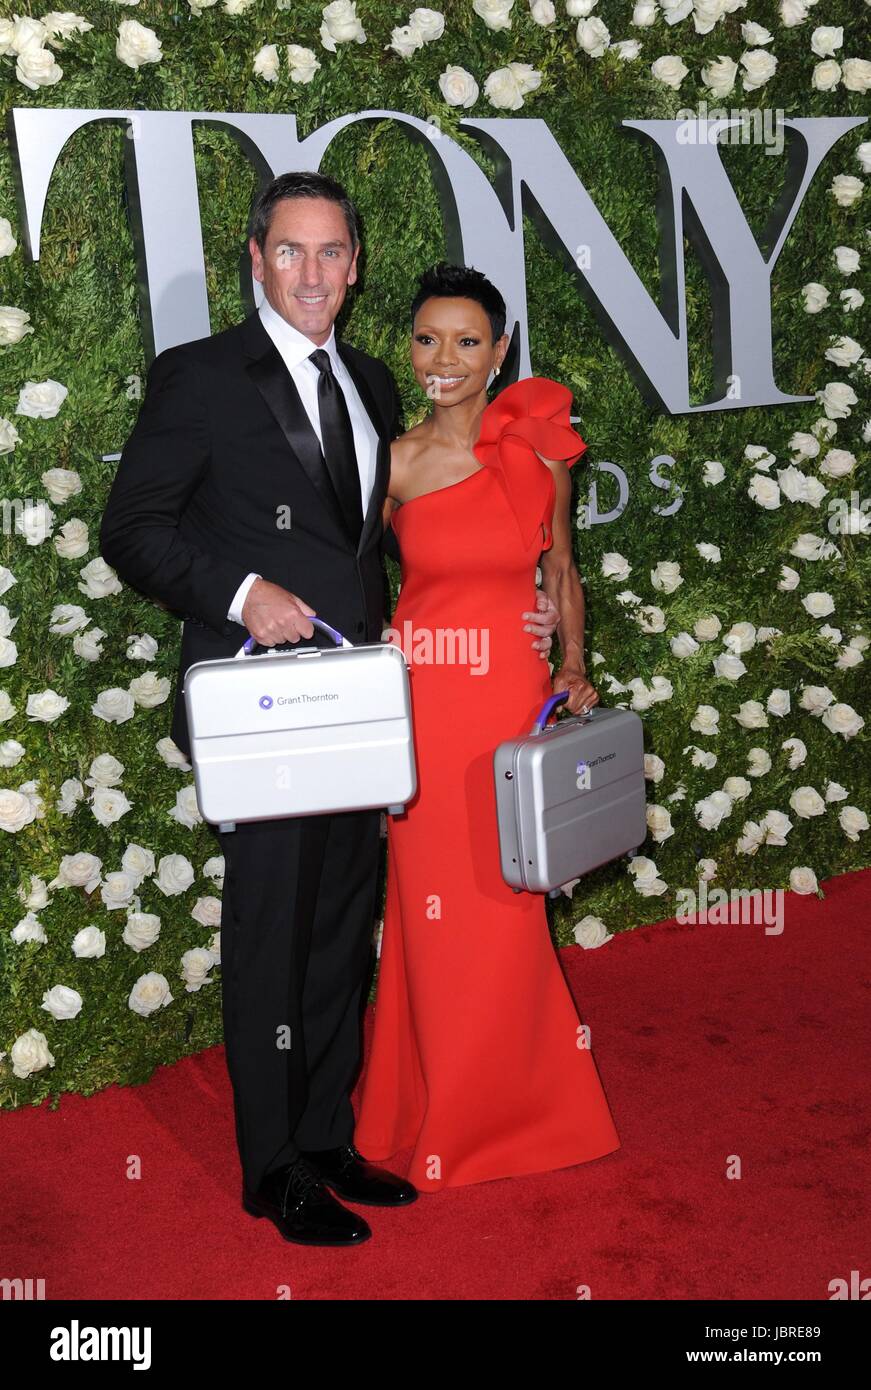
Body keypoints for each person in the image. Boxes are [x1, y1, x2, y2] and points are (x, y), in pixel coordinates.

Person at [99, 173, 561, 1246]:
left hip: (362, 706)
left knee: (340, 926)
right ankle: (273, 1172)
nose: (313, 273)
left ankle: (324, 1136)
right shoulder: (200, 376)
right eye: (292, 252)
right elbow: (133, 526)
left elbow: (399, 543)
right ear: (255, 258)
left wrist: (522, 611)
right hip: (262, 708)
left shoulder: (368, 381)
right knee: (273, 928)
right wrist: (238, 593)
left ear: (355, 266)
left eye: (332, 253)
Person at [354, 262, 621, 1188]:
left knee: (506, 907)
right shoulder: (388, 461)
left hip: (510, 693)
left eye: (467, 341)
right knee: (429, 914)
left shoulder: (537, 448)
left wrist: (574, 661)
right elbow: (356, 581)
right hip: (425, 698)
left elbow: (561, 573)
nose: (445, 359)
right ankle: (426, 1106)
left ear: (500, 352)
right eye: (428, 339)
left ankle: (517, 1109)